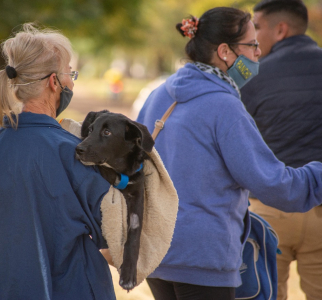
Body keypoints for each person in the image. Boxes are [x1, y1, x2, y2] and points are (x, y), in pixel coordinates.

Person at [136, 7, 322, 300]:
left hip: (156, 251)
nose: (259, 53)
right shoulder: (224, 105)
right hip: (203, 258)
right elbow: (273, 184)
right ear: (225, 51)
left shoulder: (160, 94)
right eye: (252, 45)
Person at [0, 24, 116, 299]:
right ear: (53, 82)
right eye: (70, 72)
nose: (72, 81)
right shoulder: (73, 151)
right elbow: (117, 235)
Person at [240, 1, 322, 299]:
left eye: (257, 27)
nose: (253, 37)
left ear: (281, 29)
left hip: (270, 209)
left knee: (267, 292)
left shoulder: (251, 75)